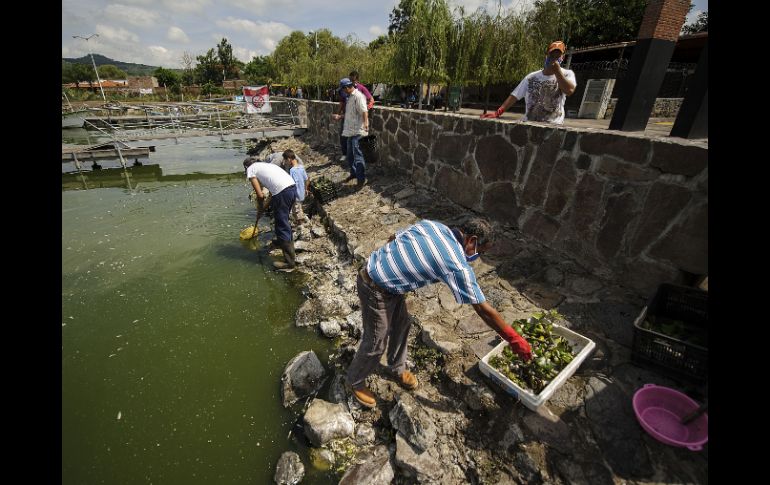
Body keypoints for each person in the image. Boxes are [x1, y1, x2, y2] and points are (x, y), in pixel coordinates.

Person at [346, 218, 533, 409]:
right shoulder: (455, 263)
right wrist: (514, 339)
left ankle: (397, 367)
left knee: (402, 324)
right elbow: (483, 310)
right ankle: (354, 381)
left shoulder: (432, 225)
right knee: (377, 341)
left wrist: (398, 268)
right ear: (472, 240)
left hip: (387, 281)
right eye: (480, 251)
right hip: (374, 287)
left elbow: (393, 237)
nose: (478, 256)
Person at [481, 40, 576, 124]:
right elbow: (515, 96)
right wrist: (498, 113)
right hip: (530, 124)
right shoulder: (531, 77)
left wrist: (557, 72)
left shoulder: (567, 74)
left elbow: (569, 91)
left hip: (553, 125)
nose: (554, 59)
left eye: (557, 56)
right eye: (551, 56)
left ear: (562, 58)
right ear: (546, 56)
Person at [243, 158, 298, 270]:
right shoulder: (265, 166)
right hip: (291, 189)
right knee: (283, 221)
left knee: (281, 226)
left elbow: (260, 195)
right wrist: (262, 209)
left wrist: (259, 208)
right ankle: (281, 241)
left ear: (246, 167)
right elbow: (272, 194)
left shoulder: (251, 169)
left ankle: (290, 263)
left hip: (282, 193)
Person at [333, 78, 369, 189]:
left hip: (358, 131)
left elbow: (364, 111)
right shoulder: (349, 98)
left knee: (358, 156)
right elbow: (350, 114)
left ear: (347, 87)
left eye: (343, 90)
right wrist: (340, 116)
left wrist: (366, 123)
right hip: (350, 131)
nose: (342, 92)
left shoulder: (358, 96)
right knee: (350, 155)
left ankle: (361, 180)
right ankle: (354, 174)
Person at [336, 71, 374, 163]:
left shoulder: (361, 89)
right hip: (346, 117)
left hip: (357, 120)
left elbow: (371, 99)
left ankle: (358, 163)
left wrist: (366, 110)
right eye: (350, 79)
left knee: (355, 142)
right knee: (343, 136)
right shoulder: (344, 90)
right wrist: (338, 114)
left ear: (357, 79)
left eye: (353, 80)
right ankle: (346, 155)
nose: (352, 81)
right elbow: (342, 103)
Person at [283, 149, 310, 225]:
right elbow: (307, 179)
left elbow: (292, 184)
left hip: (296, 195)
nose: (285, 163)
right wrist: (306, 189)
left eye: (285, 161)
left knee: (297, 212)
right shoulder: (301, 167)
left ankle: (301, 226)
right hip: (302, 193)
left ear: (289, 159)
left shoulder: (292, 170)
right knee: (299, 208)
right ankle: (302, 222)